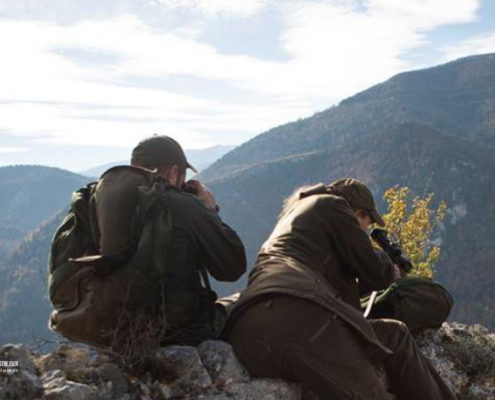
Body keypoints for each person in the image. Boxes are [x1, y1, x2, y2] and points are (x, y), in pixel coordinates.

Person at [223, 178, 456, 399]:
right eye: (367, 223)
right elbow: (376, 270)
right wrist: (391, 269)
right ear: (356, 214)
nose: (366, 231)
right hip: (299, 318)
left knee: (395, 334)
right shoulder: (333, 205)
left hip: (247, 332)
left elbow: (348, 309)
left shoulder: (297, 221)